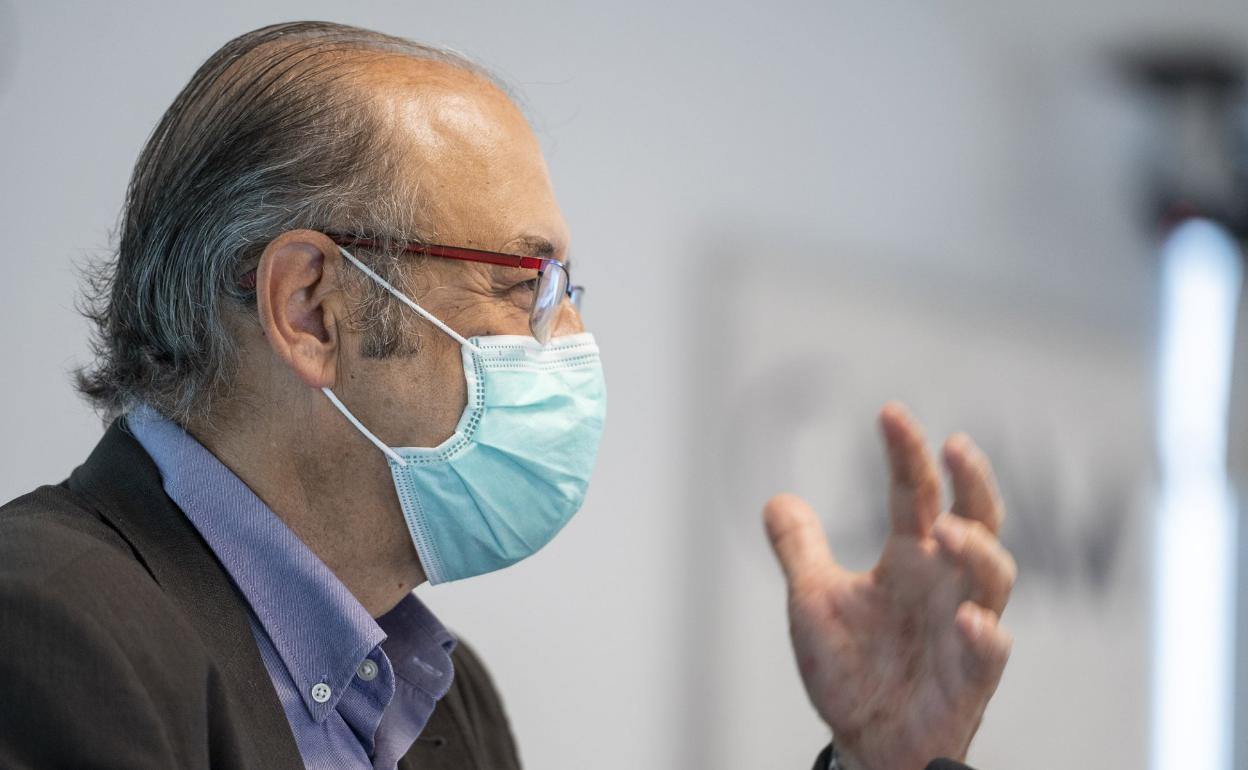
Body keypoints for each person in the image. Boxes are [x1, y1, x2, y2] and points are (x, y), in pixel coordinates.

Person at [0, 21, 1017, 770]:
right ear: (311, 306)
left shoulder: (439, 693)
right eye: (523, 286)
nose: (570, 340)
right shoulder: (49, 628)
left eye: (566, 294)